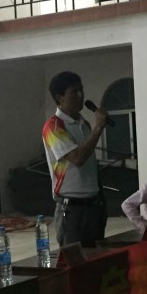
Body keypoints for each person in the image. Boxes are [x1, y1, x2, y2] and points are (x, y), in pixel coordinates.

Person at [42, 71, 109, 247]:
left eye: (82, 90)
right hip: (71, 208)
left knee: (96, 257)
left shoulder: (83, 124)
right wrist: (98, 128)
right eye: (74, 92)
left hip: (94, 204)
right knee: (73, 258)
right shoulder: (53, 126)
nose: (81, 95)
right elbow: (77, 158)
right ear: (60, 97)